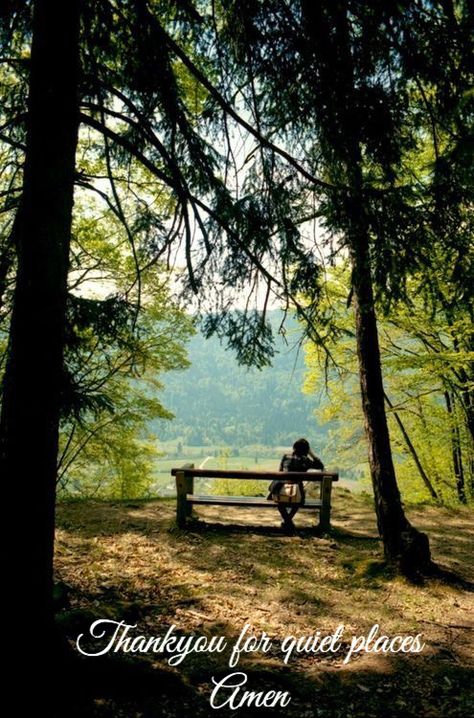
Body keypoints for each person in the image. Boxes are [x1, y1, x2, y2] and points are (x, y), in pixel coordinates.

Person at [268, 438, 324, 531]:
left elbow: (280, 471)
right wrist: (311, 454)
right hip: (297, 491)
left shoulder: (286, 456)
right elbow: (320, 465)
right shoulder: (306, 460)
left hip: (281, 489)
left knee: (279, 501)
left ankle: (287, 521)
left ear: (294, 447)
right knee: (299, 501)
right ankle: (288, 521)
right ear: (306, 450)